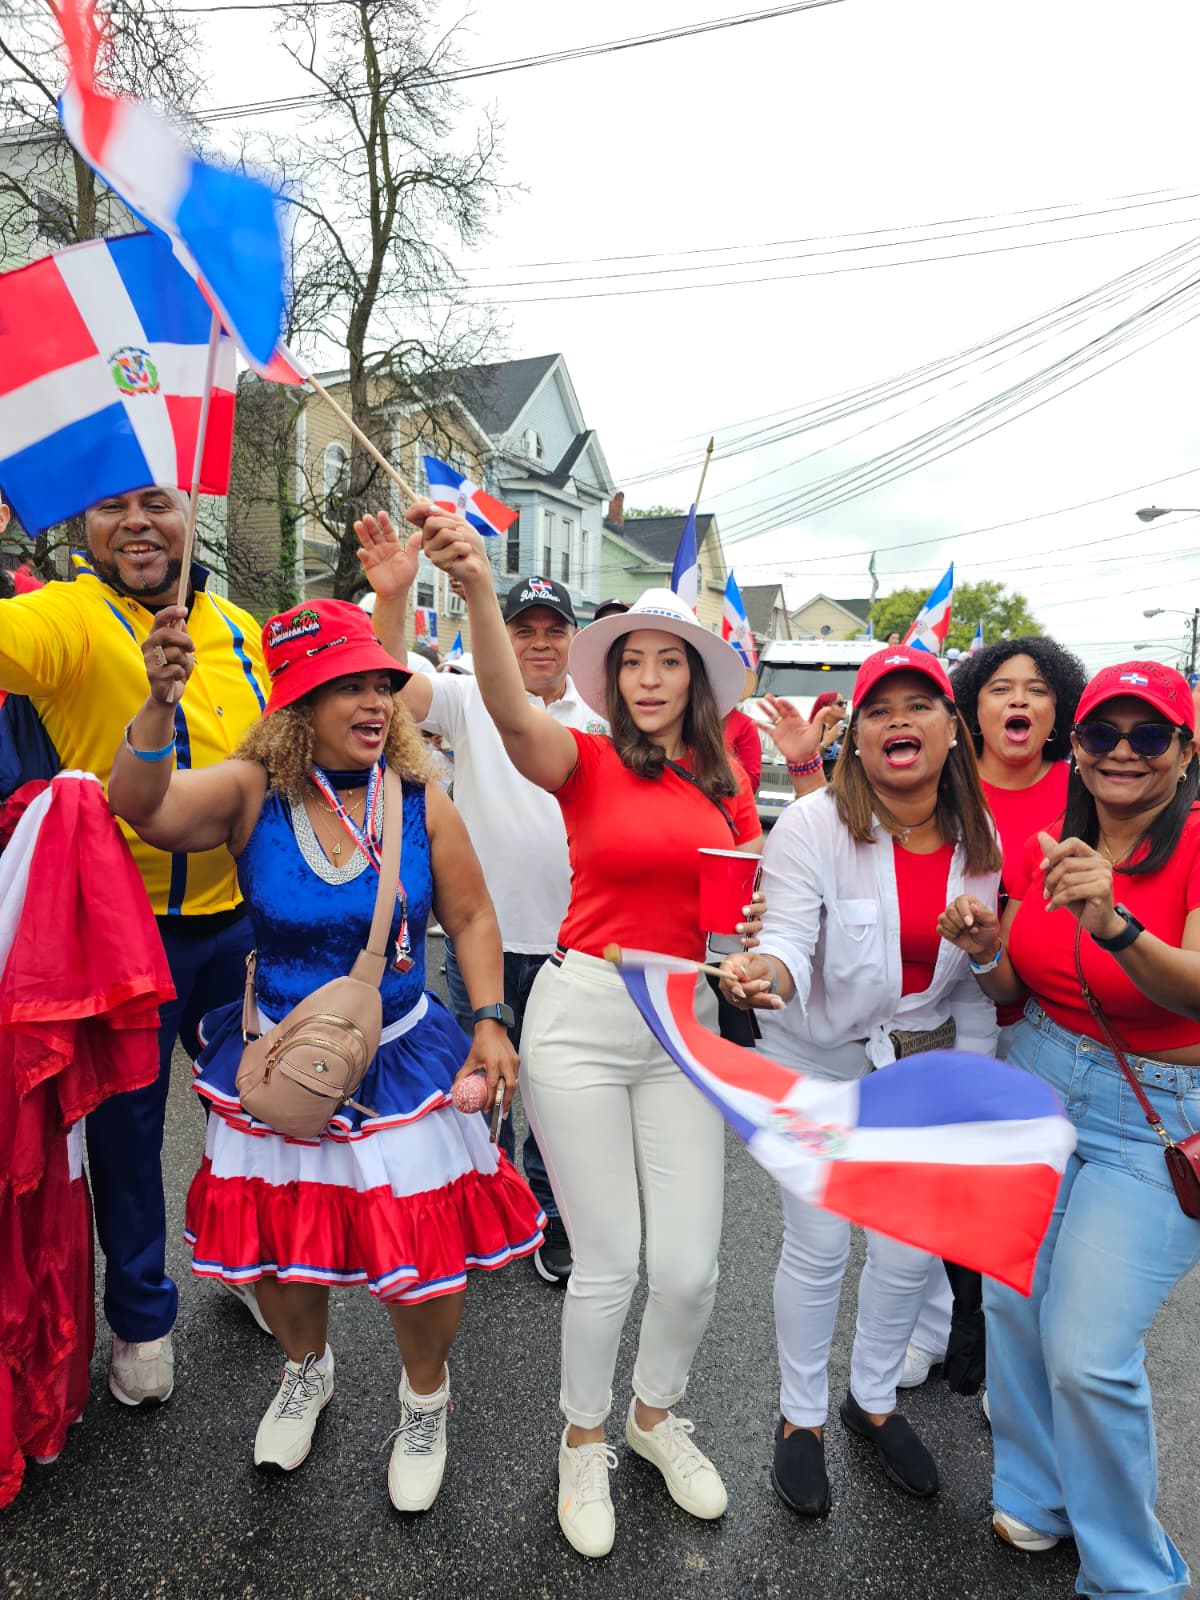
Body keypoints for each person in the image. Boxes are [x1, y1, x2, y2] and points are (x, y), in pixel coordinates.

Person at [108, 597, 544, 1500]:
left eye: (379, 683)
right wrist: (156, 704)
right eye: (345, 687)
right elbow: (140, 805)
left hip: (398, 1055)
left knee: (417, 1256)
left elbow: (468, 914)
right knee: (277, 1240)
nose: (374, 701)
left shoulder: (422, 801)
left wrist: (493, 1018)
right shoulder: (251, 791)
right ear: (297, 708)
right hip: (275, 1059)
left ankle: (425, 1400)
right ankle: (307, 1370)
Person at [420, 503, 761, 1559]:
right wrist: (478, 588)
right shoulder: (588, 760)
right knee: (608, 1258)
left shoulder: (730, 785)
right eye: (636, 663)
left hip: (684, 1025)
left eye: (673, 663)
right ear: (614, 680)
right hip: (581, 1014)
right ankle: (584, 1438)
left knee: (695, 1266)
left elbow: (740, 916)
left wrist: (754, 959)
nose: (652, 678)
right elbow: (513, 716)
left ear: (699, 683)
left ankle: (656, 1417)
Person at [0, 484, 268, 1408]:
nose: (137, 522)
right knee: (127, 1137)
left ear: (189, 518)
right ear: (84, 529)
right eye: (112, 507)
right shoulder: (66, 613)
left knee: (260, 1112)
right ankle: (143, 1317)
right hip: (122, 940)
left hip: (241, 926)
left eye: (157, 501)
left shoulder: (240, 629)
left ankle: (248, 1265)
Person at [938, 658, 1200, 1598]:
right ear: (1076, 749)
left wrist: (1117, 921)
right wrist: (985, 952)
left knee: (1088, 1353)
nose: (1122, 753)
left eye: (1148, 735)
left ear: (1184, 749)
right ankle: (1037, 1494)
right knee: (1011, 1302)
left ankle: (1134, 1574)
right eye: (1102, 734)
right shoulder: (1051, 841)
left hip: (1156, 1115)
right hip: (1042, 1079)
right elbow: (1021, 986)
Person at [719, 647, 1001, 1518]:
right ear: (856, 735)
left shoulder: (980, 842)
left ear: (954, 731)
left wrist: (974, 1086)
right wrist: (764, 971)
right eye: (880, 710)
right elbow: (790, 942)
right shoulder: (812, 827)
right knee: (820, 1242)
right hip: (814, 1057)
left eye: (922, 706)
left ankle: (871, 1400)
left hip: (923, 1063)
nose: (899, 722)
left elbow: (978, 985)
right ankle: (799, 1418)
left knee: (909, 1250)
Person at [356, 513, 604, 1289]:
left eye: (551, 629)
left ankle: (554, 1216)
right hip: (486, 942)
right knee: (480, 1081)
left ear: (571, 640)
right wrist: (391, 599)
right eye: (522, 627)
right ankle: (486, 1200)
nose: (536, 642)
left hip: (575, 944)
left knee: (561, 1097)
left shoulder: (600, 719)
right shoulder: (467, 700)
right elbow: (387, 682)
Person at [901, 636, 1087, 1389]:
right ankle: (929, 1326)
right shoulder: (939, 779)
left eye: (1036, 689)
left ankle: (1013, 1357)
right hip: (941, 1012)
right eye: (1000, 687)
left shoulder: (1084, 786)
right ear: (970, 708)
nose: (1018, 700)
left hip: (1043, 1023)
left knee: (1020, 1191)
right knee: (935, 1181)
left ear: (1057, 712)